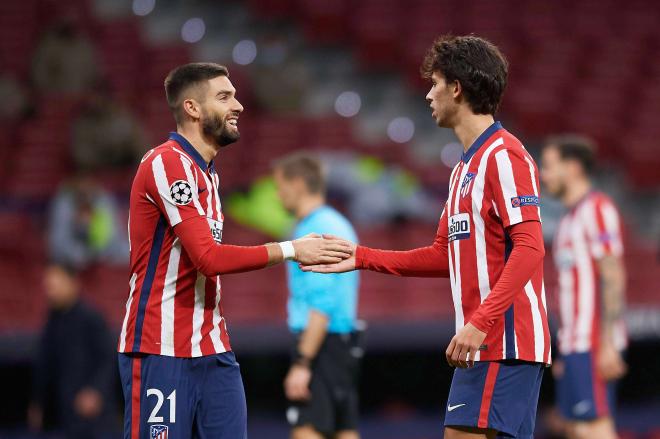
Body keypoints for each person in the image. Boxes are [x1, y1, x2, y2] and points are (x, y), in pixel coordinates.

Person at [303, 35, 550, 439]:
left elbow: (530, 247)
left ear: (456, 88)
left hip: (503, 342)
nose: (428, 94)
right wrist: (362, 256)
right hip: (486, 344)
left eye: (435, 83)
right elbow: (442, 256)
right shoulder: (461, 171)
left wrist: (481, 323)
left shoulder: (504, 156)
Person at [117, 62, 352, 439]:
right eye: (225, 97)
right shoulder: (166, 163)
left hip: (213, 347)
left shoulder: (208, 174)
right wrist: (292, 249)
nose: (239, 105)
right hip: (159, 348)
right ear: (192, 108)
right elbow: (208, 258)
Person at [540, 136, 627, 439]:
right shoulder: (567, 221)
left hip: (593, 342)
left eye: (549, 166)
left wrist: (607, 342)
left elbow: (612, 275)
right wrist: (564, 350)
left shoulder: (597, 209)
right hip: (575, 343)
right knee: (576, 429)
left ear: (573, 168)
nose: (543, 174)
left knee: (595, 429)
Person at [273, 153, 361, 439]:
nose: (277, 195)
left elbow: (321, 305)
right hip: (341, 344)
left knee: (306, 430)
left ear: (297, 184)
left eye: (280, 186)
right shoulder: (337, 223)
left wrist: (302, 363)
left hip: (320, 344)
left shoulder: (315, 233)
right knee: (344, 429)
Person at [29, 263, 116, 439]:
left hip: (93, 418)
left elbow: (108, 359)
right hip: (62, 415)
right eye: (48, 286)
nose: (51, 291)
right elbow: (45, 366)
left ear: (72, 283)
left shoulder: (91, 317)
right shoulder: (52, 320)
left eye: (56, 284)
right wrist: (39, 402)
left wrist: (96, 390)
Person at [48, 174, 129, 270]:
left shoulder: (104, 200)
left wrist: (99, 254)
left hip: (103, 258)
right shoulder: (64, 204)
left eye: (89, 181)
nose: (85, 186)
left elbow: (114, 239)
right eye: (82, 181)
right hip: (70, 267)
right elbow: (58, 246)